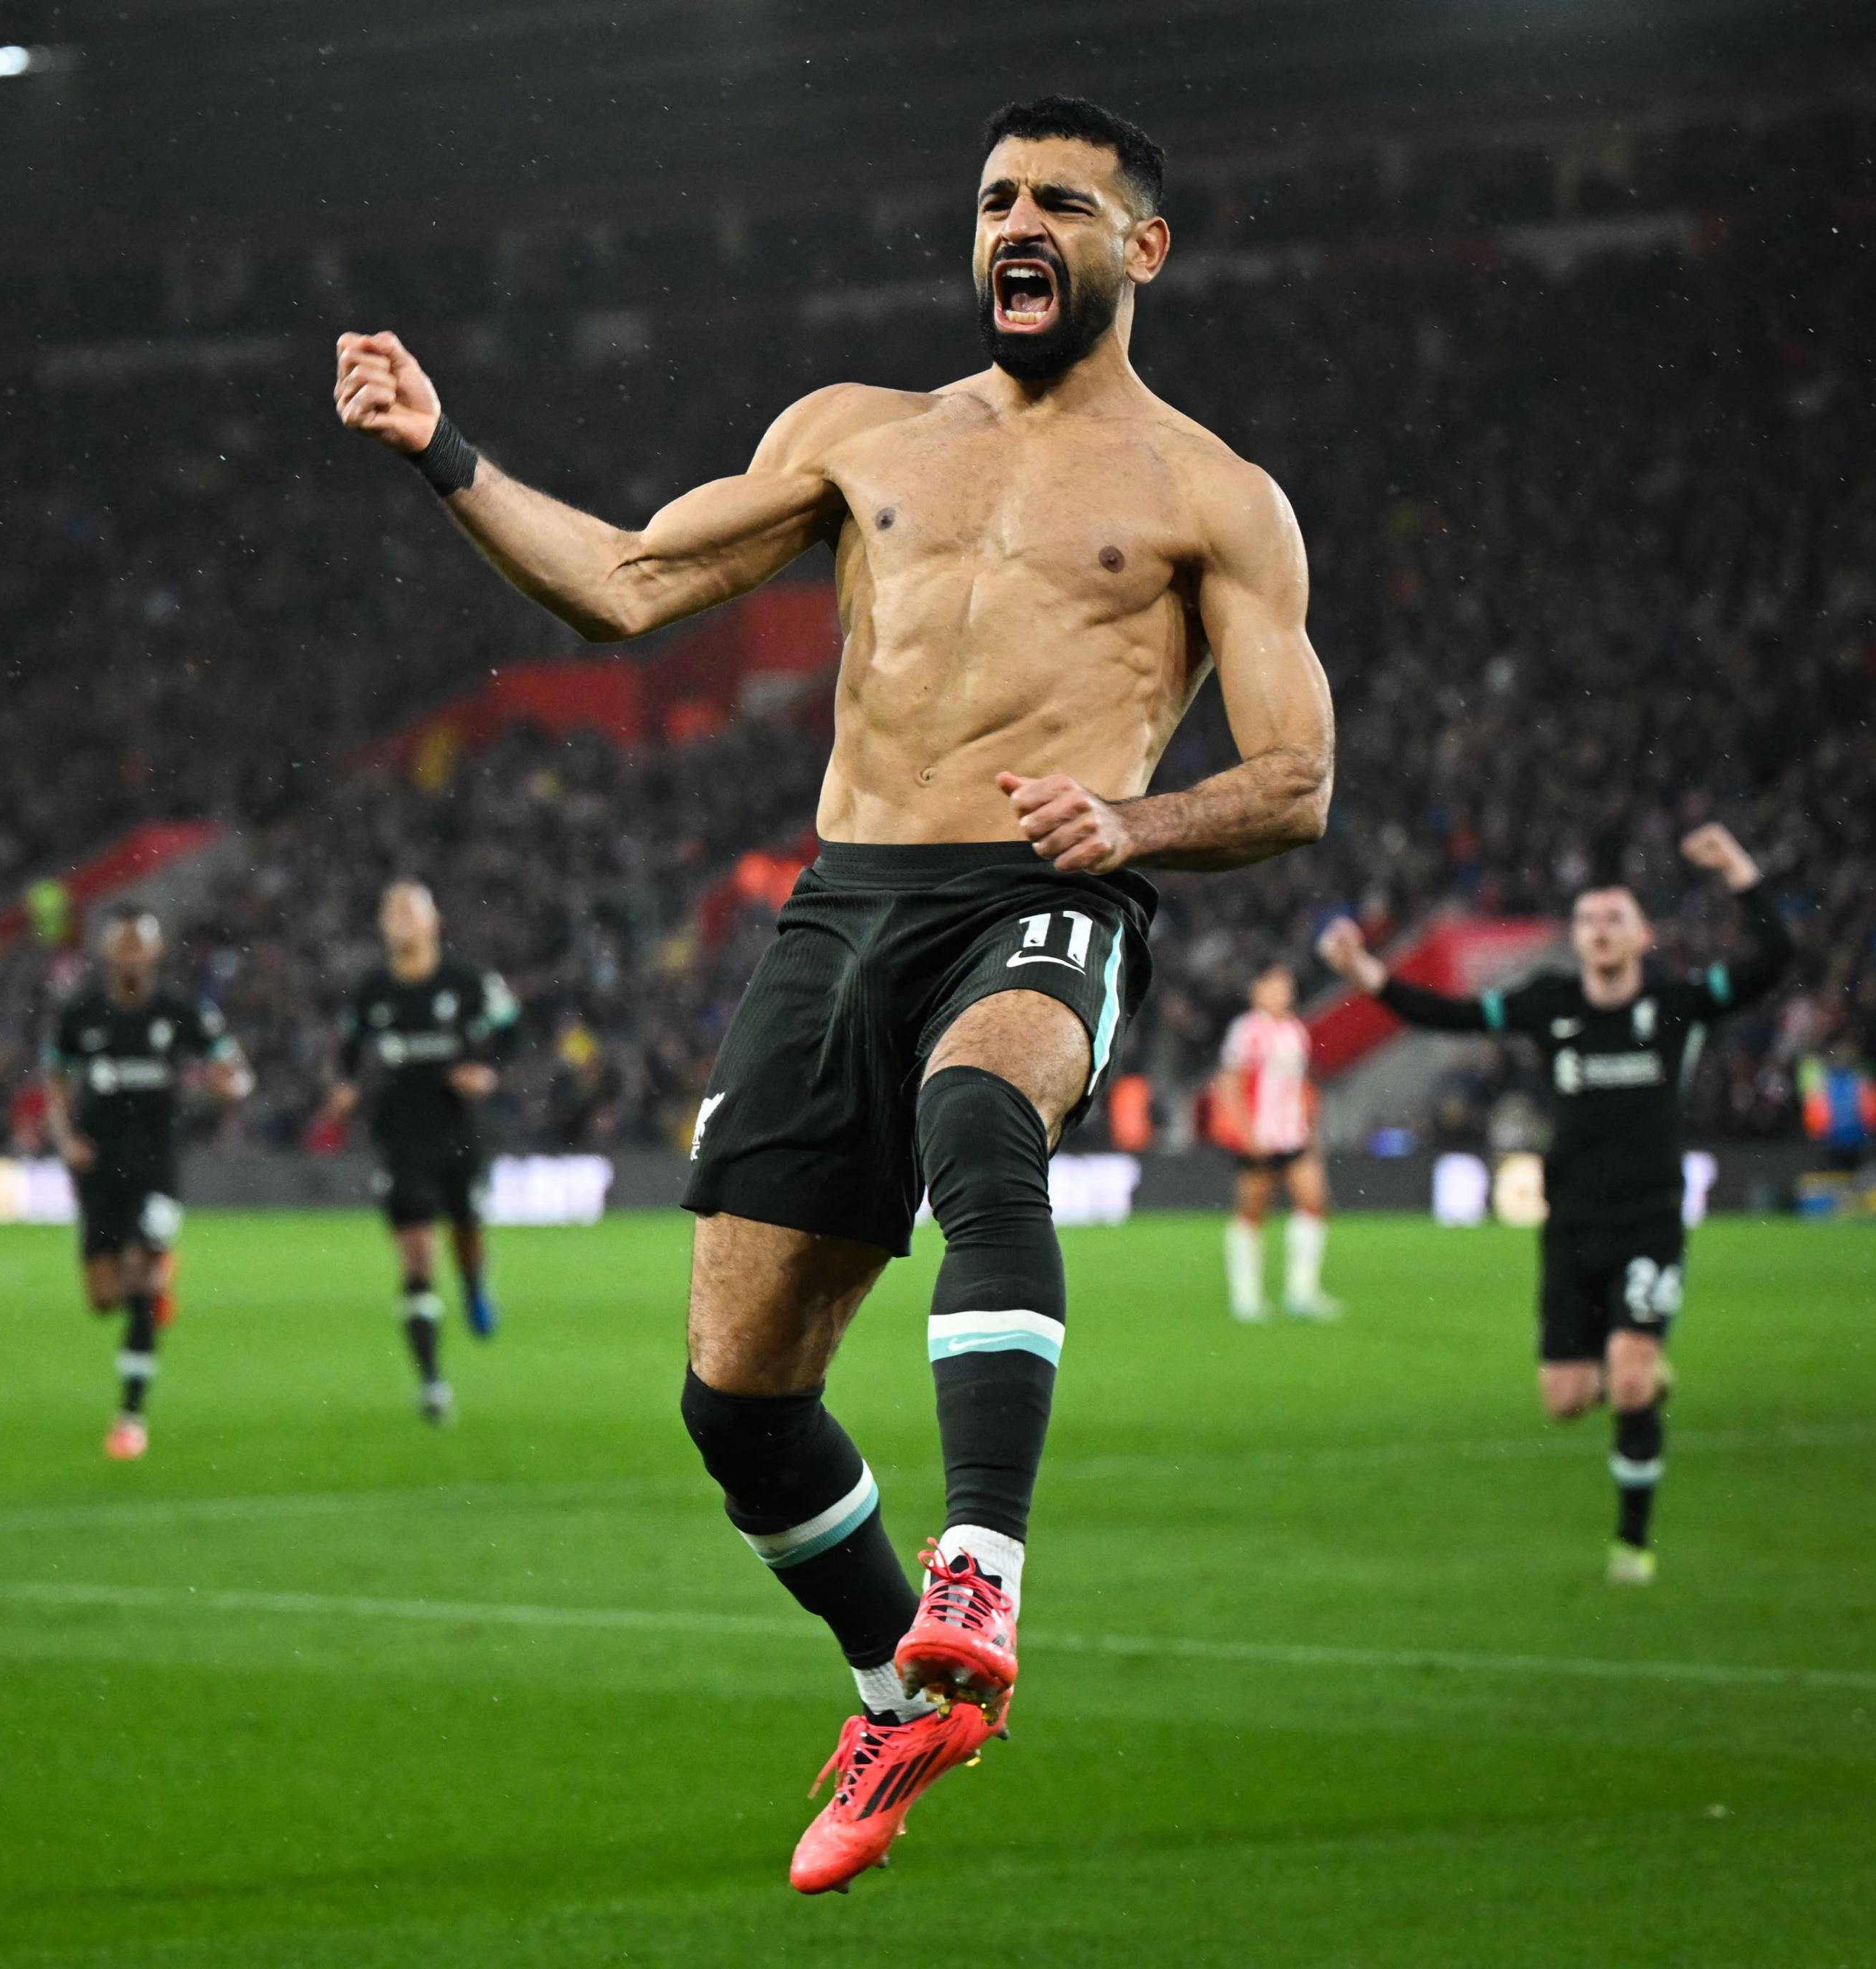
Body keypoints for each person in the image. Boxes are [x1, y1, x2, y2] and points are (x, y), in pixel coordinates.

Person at [336, 94, 1335, 1890]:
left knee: (979, 1116)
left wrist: (1137, 818)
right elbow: (626, 589)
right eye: (995, 199)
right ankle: (899, 1684)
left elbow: (1297, 781)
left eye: (1061, 204)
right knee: (738, 1401)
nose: (1017, 225)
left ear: (1143, 249)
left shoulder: (1214, 495)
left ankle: (984, 1571)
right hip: (846, 903)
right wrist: (442, 448)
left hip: (1047, 885)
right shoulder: (853, 436)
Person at [1318, 821, 1789, 1585]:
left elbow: (1773, 962)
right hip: (1569, 1226)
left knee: (1629, 1378)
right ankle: (1643, 1367)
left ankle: (1633, 1546)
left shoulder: (1675, 1005)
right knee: (1568, 1399)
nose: (1599, 930)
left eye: (1614, 919)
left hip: (1649, 1221)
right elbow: (1454, 1017)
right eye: (1588, 920)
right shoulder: (1550, 1002)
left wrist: (1741, 868)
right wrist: (1369, 973)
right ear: (1576, 938)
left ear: (1642, 938)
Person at [45, 912, 252, 1460]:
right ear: (108, 953)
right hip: (97, 1167)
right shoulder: (81, 1014)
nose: (133, 956)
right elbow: (57, 1082)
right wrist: (65, 1139)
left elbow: (232, 1068)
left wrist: (227, 1085)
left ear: (156, 954)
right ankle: (159, 1276)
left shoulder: (181, 1013)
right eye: (124, 946)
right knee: (102, 1298)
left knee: (138, 1282)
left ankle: (130, 1419)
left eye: (142, 946)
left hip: (156, 1168)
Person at [322, 882, 520, 1426]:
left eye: (413, 908)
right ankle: (432, 1381)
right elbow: (344, 1053)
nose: (403, 918)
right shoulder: (372, 991)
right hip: (398, 1137)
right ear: (384, 926)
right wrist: (342, 1087)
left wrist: (488, 1071)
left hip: (456, 1131)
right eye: (393, 910)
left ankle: (475, 1280)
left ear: (434, 921)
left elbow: (513, 1030)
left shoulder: (467, 980)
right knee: (415, 1253)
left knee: (465, 1232)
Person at [1212, 963, 1341, 1321]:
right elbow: (1229, 1084)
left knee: (1314, 1202)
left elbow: (1302, 1086)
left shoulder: (1295, 1031)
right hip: (1260, 1137)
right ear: (1259, 989)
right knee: (1252, 1210)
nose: (1283, 993)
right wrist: (1245, 1132)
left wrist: (1310, 1130)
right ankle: (1246, 1298)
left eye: (1287, 986)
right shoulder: (1246, 1031)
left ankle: (1302, 1291)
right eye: (1276, 986)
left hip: (1293, 1134)